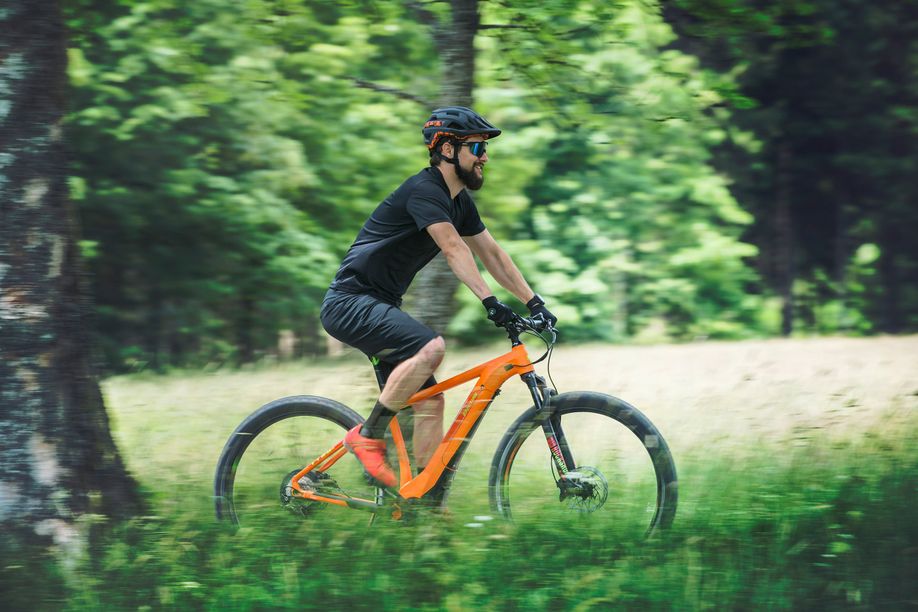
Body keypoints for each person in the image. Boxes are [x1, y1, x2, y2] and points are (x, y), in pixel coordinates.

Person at [320, 106, 557, 488]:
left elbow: (491, 253)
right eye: (477, 147)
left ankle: (423, 502)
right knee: (431, 348)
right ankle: (367, 436)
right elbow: (452, 249)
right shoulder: (424, 191)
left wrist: (534, 302)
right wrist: (489, 301)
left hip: (379, 304)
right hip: (350, 302)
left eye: (484, 149)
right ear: (447, 149)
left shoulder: (458, 200)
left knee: (430, 401)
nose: (485, 156)